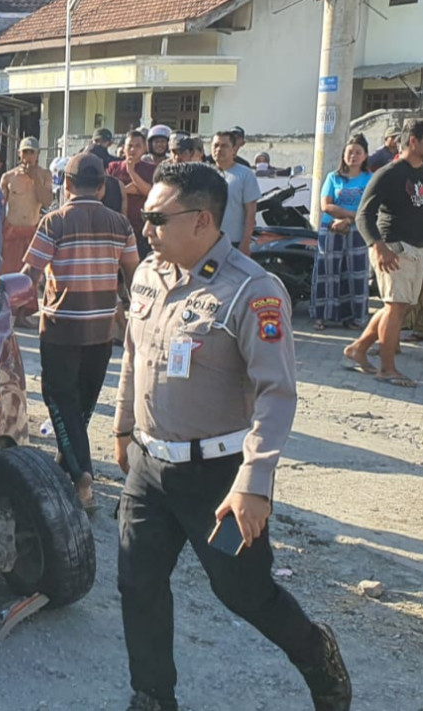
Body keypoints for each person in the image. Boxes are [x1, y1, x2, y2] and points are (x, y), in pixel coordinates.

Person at [114, 161, 351, 711]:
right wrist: (124, 426)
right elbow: (133, 353)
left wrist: (254, 483)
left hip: (217, 480)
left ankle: (316, 653)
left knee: (243, 592)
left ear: (201, 221)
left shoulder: (252, 290)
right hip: (149, 467)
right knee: (137, 583)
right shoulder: (150, 273)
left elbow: (277, 393)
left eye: (156, 217)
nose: (145, 227)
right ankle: (152, 696)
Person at [20, 153, 138, 510]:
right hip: (102, 331)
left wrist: (5, 303)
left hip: (61, 329)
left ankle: (81, 475)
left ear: (66, 185)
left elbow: (30, 275)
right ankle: (68, 463)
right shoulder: (121, 225)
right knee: (81, 403)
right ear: (102, 187)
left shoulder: (54, 222)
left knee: (59, 398)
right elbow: (135, 275)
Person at [343, 119, 423, 388]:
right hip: (393, 247)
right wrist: (378, 246)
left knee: (398, 306)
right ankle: (387, 369)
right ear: (413, 141)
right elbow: (364, 214)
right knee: (395, 306)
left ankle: (358, 349)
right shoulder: (390, 173)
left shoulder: (420, 172)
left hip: (416, 249)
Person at [310, 134, 372, 331]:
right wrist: (349, 216)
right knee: (327, 272)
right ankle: (321, 316)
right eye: (349, 152)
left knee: (356, 273)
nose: (353, 156)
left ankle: (354, 318)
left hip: (358, 231)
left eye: (357, 152)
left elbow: (370, 206)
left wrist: (347, 219)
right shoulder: (333, 177)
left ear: (365, 156)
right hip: (331, 229)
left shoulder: (370, 179)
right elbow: (326, 205)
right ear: (344, 155)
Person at [1, 137, 55, 279]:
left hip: (32, 234)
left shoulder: (45, 175)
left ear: (37, 154)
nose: (28, 156)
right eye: (25, 152)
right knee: (8, 277)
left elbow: (47, 201)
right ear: (19, 154)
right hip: (12, 234)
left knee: (30, 279)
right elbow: (0, 207)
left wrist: (35, 179)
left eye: (32, 152)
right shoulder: (8, 177)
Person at [107, 130, 157, 259]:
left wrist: (131, 172)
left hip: (140, 227)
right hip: (116, 225)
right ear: (123, 148)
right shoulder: (114, 167)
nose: (133, 149)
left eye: (137, 146)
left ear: (145, 148)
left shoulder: (150, 169)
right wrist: (132, 188)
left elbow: (150, 192)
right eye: (130, 146)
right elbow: (109, 191)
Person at [210, 131, 262, 256]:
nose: (219, 149)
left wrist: (245, 243)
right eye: (216, 145)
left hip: (233, 243)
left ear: (234, 149)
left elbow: (251, 212)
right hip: (208, 243)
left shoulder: (245, 175)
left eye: (224, 146)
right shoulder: (206, 174)